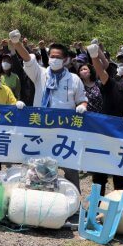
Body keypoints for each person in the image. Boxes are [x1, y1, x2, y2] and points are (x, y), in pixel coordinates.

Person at [11, 30, 87, 193]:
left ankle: (74, 203)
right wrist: (17, 44)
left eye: (58, 57)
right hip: (41, 128)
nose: (54, 59)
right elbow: (27, 59)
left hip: (65, 132)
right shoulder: (41, 74)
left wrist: (82, 107)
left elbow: (82, 100)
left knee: (70, 169)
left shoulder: (74, 79)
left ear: (66, 60)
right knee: (39, 168)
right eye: (52, 56)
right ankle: (39, 202)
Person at [86, 43, 123, 195]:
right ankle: (95, 209)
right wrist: (94, 56)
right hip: (103, 137)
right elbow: (101, 72)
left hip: (122, 142)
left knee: (120, 178)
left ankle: (118, 210)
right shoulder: (112, 86)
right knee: (99, 177)